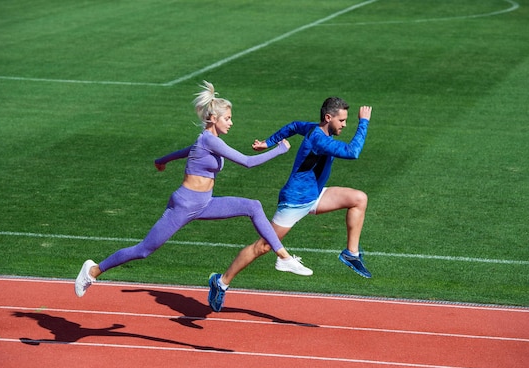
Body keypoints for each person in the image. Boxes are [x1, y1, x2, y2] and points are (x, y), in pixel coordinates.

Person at [74, 81, 308, 312]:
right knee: (144, 250)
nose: (231, 122)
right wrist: (279, 150)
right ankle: (93, 270)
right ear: (213, 119)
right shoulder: (209, 140)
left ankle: (283, 257)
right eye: (227, 118)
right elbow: (247, 162)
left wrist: (162, 160)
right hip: (184, 205)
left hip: (205, 203)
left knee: (253, 206)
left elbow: (188, 151)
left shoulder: (207, 141)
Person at [207, 97, 372, 310]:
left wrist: (268, 142)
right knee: (263, 246)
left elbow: (294, 125)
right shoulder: (319, 139)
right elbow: (352, 152)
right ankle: (220, 282)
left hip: (314, 195)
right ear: (328, 117)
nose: (344, 125)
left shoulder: (315, 129)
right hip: (294, 202)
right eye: (342, 120)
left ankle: (351, 253)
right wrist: (364, 122)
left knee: (359, 198)